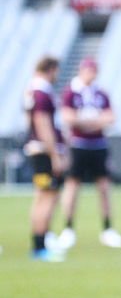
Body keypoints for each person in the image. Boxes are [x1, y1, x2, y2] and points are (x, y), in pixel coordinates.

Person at [56, 57, 121, 250]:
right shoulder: (71, 93)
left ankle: (108, 228)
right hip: (78, 145)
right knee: (72, 186)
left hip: (99, 145)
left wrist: (86, 121)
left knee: (104, 188)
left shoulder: (101, 94)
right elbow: (68, 118)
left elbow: (110, 117)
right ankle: (68, 228)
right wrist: (95, 121)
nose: (90, 74)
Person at [24, 56, 67, 262]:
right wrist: (55, 154)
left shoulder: (32, 91)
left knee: (43, 196)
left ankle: (41, 242)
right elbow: (42, 124)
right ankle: (40, 246)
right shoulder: (41, 93)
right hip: (43, 152)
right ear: (51, 69)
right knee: (47, 197)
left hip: (38, 150)